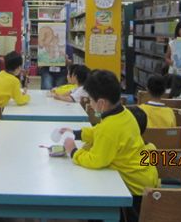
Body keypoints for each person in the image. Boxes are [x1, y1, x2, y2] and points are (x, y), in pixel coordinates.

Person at [60, 70, 158, 222]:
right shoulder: (124, 113)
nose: (90, 104)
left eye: (91, 100)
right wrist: (77, 133)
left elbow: (96, 160)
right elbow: (99, 131)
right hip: (144, 177)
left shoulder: (109, 127)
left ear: (101, 103)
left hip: (133, 189)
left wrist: (73, 151)